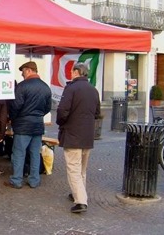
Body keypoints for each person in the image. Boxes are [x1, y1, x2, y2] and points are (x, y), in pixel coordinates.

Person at [56, 63, 101, 214]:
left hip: (72, 134)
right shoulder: (94, 90)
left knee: (74, 168)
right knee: (82, 168)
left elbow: (62, 110)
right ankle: (77, 192)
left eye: (71, 71)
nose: (70, 73)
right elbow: (97, 112)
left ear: (76, 72)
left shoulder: (71, 88)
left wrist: (61, 123)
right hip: (87, 135)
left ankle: (81, 200)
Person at [4, 61, 52, 189]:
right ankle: (34, 180)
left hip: (22, 125)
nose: (22, 74)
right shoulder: (45, 87)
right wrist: (37, 115)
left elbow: (15, 106)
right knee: (35, 153)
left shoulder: (22, 86)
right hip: (38, 124)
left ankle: (16, 180)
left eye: (23, 71)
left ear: (29, 70)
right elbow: (48, 107)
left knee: (19, 153)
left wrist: (12, 118)